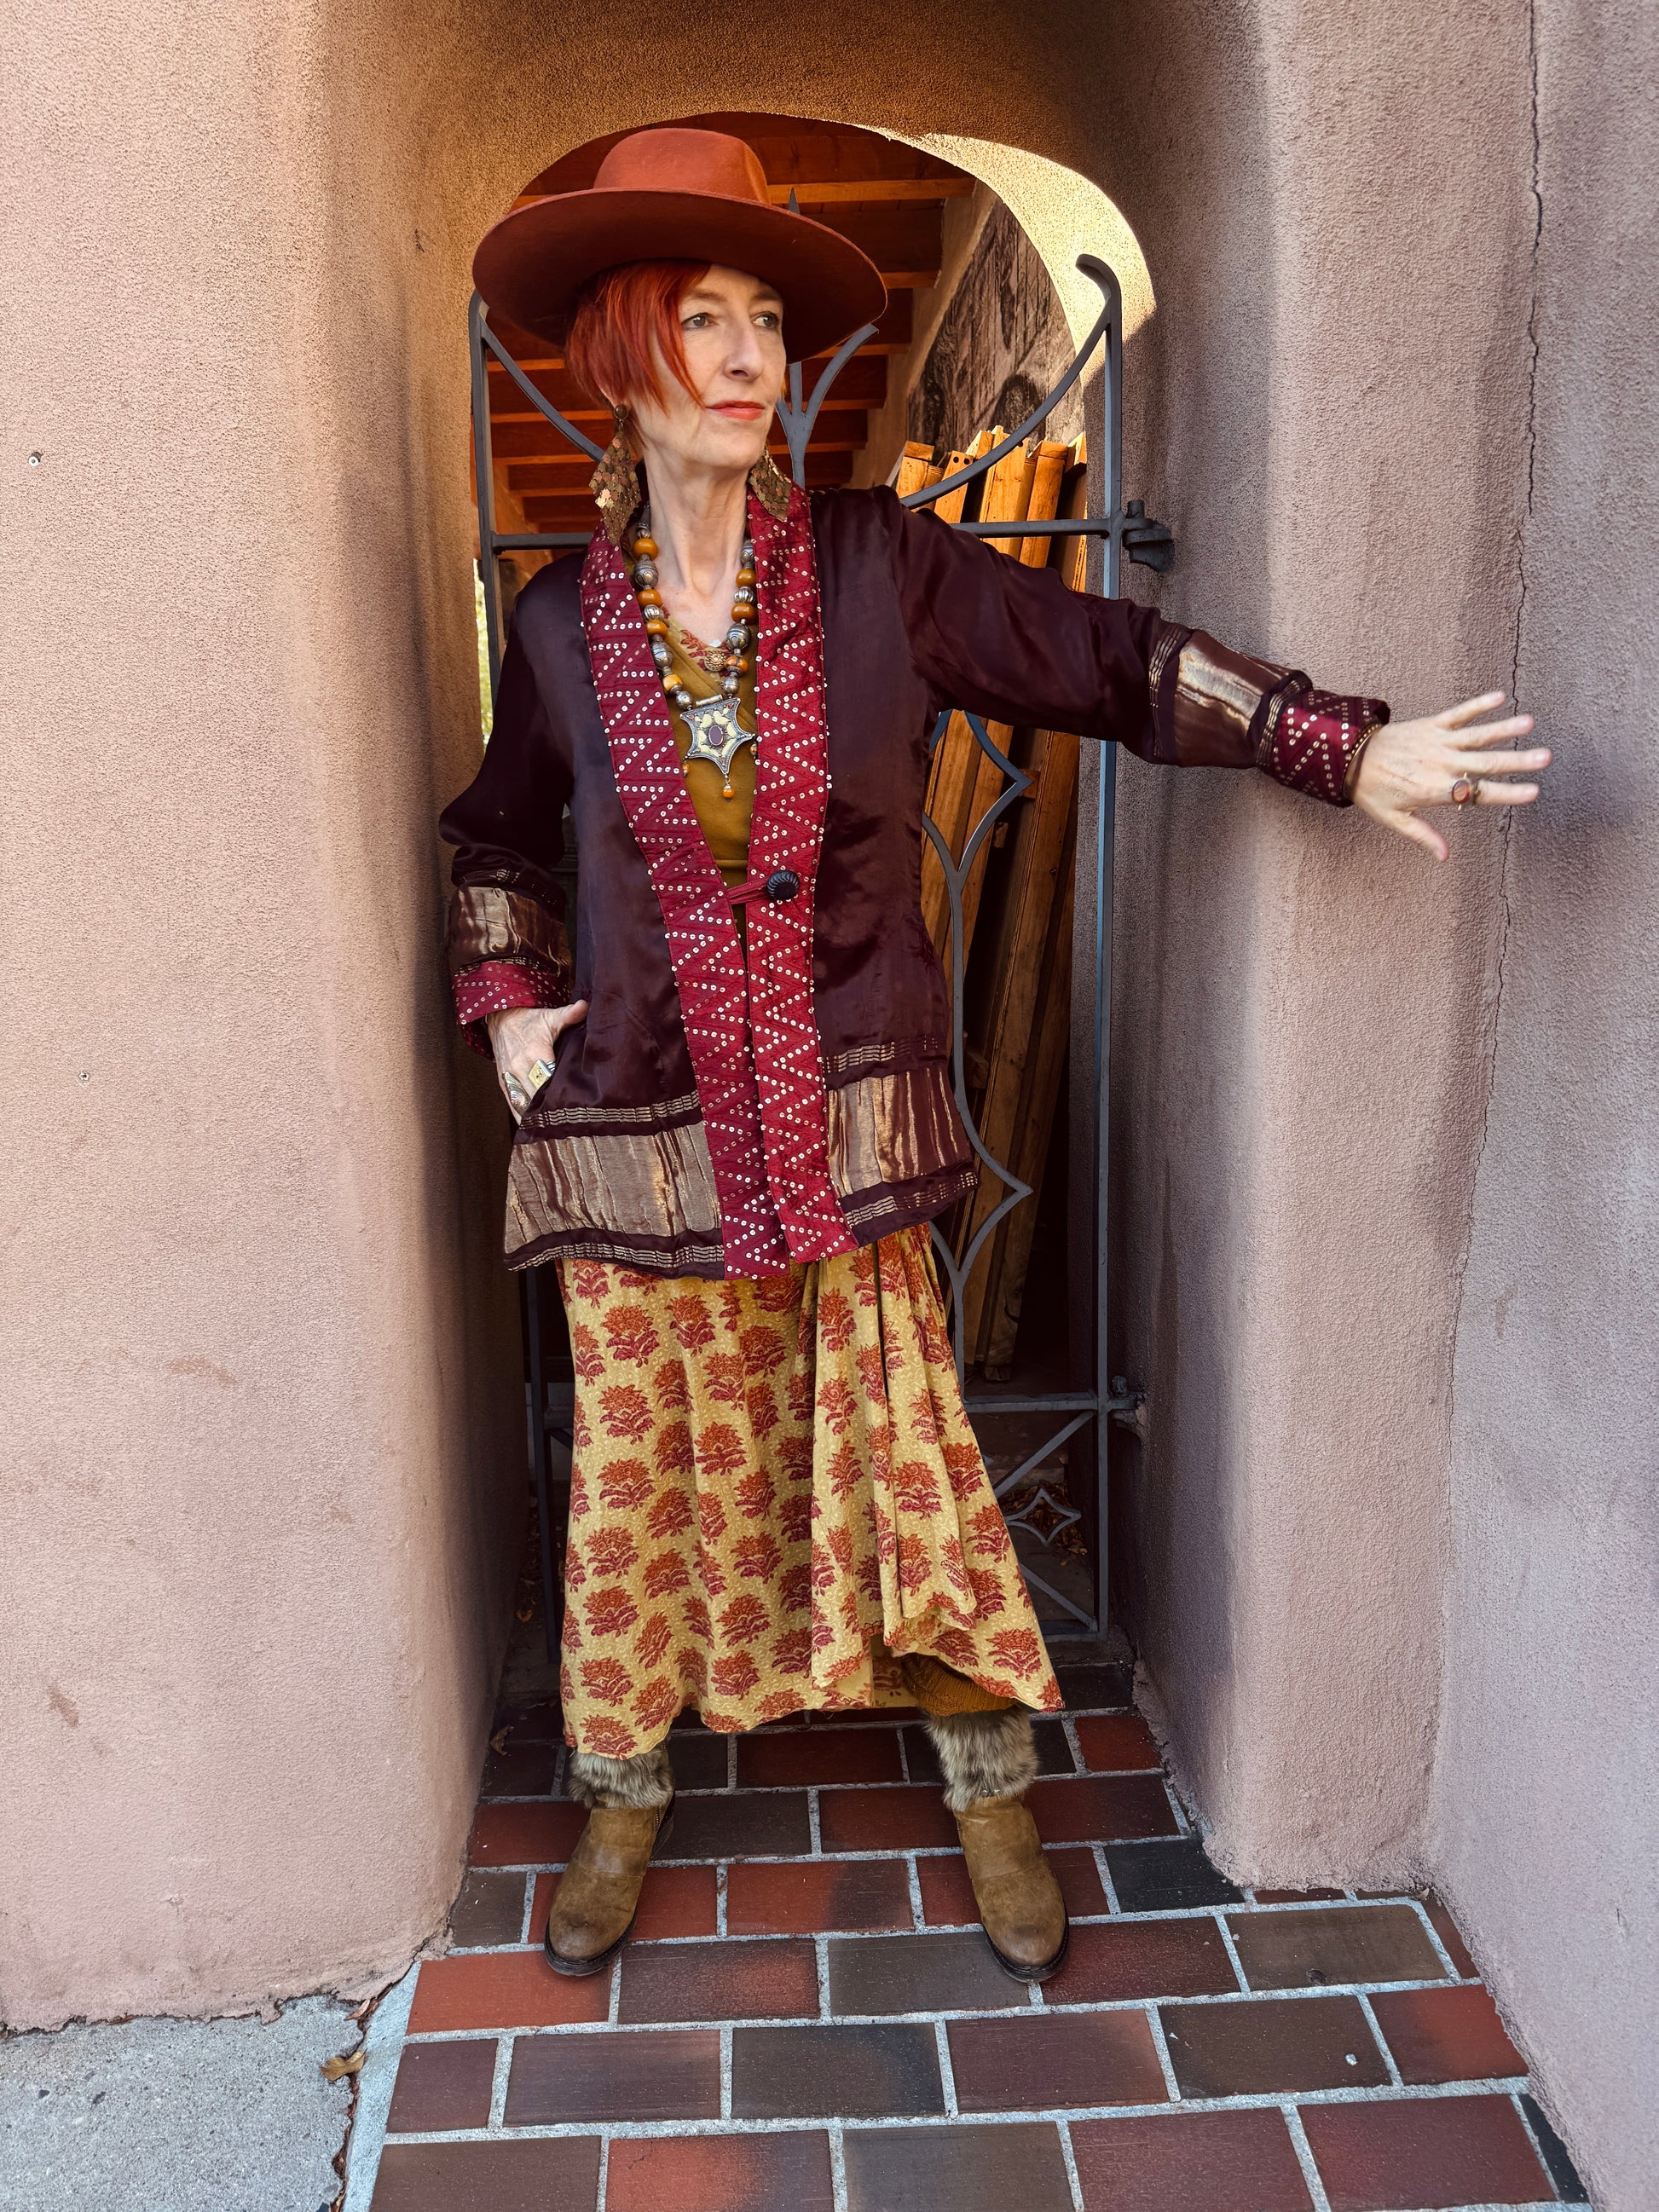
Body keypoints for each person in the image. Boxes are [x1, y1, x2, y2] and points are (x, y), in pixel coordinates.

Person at [442, 126, 1548, 1982]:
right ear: (623, 355)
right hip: (637, 1128)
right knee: (642, 1479)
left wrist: (1333, 745)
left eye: (763, 319)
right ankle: (620, 1788)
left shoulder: (876, 564)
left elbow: (1099, 656)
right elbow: (494, 838)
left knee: (906, 1457)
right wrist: (508, 1009)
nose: (746, 354)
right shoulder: (559, 626)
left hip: (846, 1118)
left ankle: (984, 1779)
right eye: (699, 318)